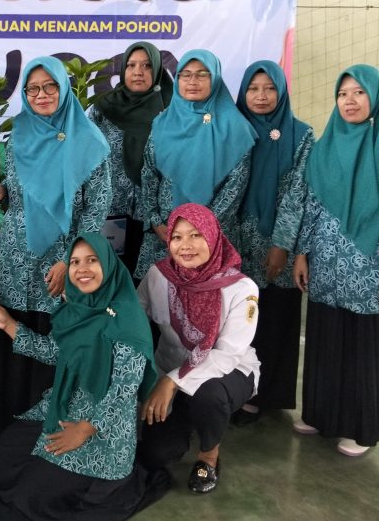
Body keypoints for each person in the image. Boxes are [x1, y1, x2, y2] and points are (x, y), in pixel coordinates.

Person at [0, 234, 171, 521]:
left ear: (109, 265)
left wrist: (84, 429)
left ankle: (113, 483)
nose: (83, 269)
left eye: (92, 260)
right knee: (4, 453)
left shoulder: (128, 321)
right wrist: (8, 324)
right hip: (67, 405)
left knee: (34, 496)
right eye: (75, 261)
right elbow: (56, 352)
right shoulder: (78, 309)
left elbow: (123, 391)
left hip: (104, 427)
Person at [292, 65, 379, 457]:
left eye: (358, 93)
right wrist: (301, 252)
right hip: (326, 267)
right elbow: (312, 206)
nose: (349, 101)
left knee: (361, 349)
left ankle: (361, 429)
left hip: (370, 272)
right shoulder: (327, 146)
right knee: (325, 342)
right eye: (342, 94)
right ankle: (320, 414)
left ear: (377, 97)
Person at [0, 56, 112, 440]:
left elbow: (96, 209)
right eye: (32, 88)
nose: (41, 94)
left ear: (63, 88)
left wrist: (70, 262)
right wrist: (2, 194)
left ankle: (44, 431)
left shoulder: (90, 141)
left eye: (50, 86)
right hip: (15, 258)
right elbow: (24, 193)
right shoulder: (19, 132)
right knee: (10, 332)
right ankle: (6, 430)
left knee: (51, 340)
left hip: (62, 258)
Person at [137, 204, 260, 494]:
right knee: (158, 454)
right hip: (169, 368)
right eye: (177, 237)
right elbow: (133, 316)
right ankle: (188, 419)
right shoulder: (159, 275)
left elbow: (227, 354)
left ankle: (209, 455)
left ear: (213, 237)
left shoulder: (241, 288)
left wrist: (171, 381)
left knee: (208, 395)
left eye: (196, 235)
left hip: (226, 374)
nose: (186, 245)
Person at [231, 60, 313, 423]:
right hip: (236, 239)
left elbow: (298, 194)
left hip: (280, 241)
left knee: (276, 316)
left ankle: (268, 394)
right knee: (239, 316)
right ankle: (239, 389)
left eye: (269, 88)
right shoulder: (232, 129)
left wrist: (281, 245)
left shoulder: (301, 135)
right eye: (253, 88)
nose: (261, 96)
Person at [135, 49, 256, 280]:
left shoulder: (235, 127)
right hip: (164, 235)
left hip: (212, 239)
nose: (193, 81)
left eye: (202, 74)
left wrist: (199, 232)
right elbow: (149, 174)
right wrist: (155, 221)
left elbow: (235, 187)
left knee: (208, 297)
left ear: (215, 78)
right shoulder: (163, 122)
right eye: (185, 74)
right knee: (159, 298)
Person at [88, 41, 174, 275]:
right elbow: (84, 157)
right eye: (131, 65)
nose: (138, 72)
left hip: (156, 220)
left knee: (149, 284)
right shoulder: (103, 108)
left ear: (157, 70)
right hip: (108, 211)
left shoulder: (172, 111)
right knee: (108, 278)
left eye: (147, 66)